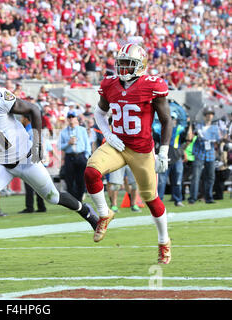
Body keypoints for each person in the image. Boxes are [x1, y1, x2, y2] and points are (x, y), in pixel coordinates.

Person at [0, 73, 99, 272]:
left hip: (27, 159)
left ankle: (86, 211)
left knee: (53, 197)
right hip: (0, 163)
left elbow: (34, 109)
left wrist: (37, 144)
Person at [83, 43, 173, 264]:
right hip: (117, 144)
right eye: (121, 63)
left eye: (128, 64)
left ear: (140, 65)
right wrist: (108, 133)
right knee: (91, 172)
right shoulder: (110, 84)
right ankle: (105, 213)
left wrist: (163, 151)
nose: (123, 68)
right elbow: (100, 112)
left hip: (142, 150)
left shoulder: (152, 85)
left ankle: (164, 242)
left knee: (151, 199)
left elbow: (166, 120)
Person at [188, 107, 221, 204]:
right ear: (204, 115)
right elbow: (190, 136)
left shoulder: (215, 127)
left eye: (211, 114)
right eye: (207, 114)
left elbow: (217, 141)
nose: (209, 116)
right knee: (196, 176)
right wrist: (192, 129)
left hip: (210, 154)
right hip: (199, 153)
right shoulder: (198, 125)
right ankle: (192, 198)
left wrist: (218, 140)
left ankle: (209, 198)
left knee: (210, 177)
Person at [58, 110, 91, 202]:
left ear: (76, 119)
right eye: (70, 117)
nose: (71, 119)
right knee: (69, 180)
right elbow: (59, 146)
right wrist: (68, 143)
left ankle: (79, 199)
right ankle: (74, 199)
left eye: (73, 117)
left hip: (80, 156)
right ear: (67, 119)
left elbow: (87, 144)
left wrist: (86, 156)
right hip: (69, 157)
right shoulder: (63, 132)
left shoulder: (82, 130)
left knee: (81, 179)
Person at [157, 111, 188, 206]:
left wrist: (181, 151)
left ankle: (178, 200)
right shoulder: (159, 129)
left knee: (177, 180)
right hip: (164, 157)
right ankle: (159, 202)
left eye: (173, 119)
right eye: (170, 118)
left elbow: (187, 139)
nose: (172, 121)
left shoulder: (179, 129)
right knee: (161, 181)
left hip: (176, 157)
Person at [18, 114, 46, 213]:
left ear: (26, 119)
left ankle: (30, 207)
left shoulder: (27, 131)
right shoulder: (35, 129)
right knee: (38, 183)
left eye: (22, 118)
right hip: (37, 158)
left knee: (29, 184)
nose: (21, 119)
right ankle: (41, 206)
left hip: (29, 159)